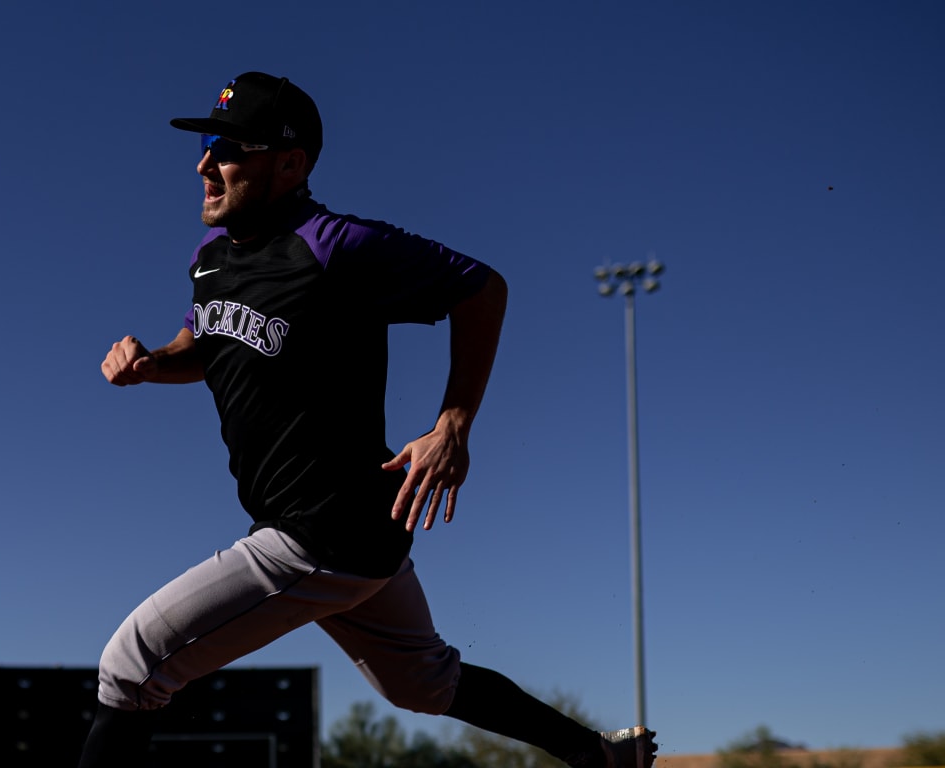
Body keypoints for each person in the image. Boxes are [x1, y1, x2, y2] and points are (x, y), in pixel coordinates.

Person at [82, 71, 658, 768]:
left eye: (230, 148)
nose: (206, 162)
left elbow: (481, 289)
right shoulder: (211, 261)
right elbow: (204, 346)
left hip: (320, 532)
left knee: (133, 664)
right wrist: (151, 363)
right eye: (208, 142)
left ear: (290, 163)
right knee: (423, 682)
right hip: (353, 532)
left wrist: (452, 425)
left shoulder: (337, 245)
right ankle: (599, 756)